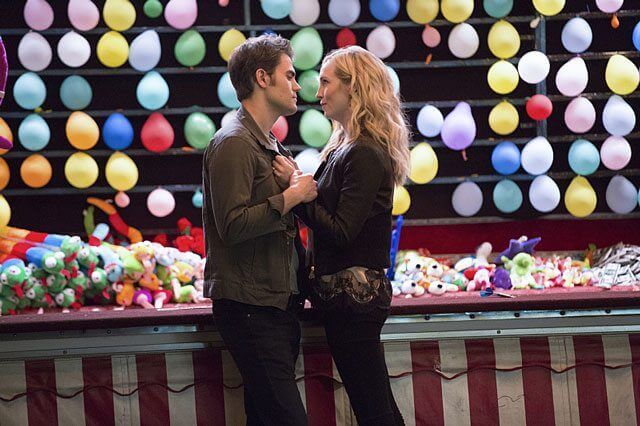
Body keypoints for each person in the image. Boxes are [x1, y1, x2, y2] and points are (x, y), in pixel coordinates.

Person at [273, 45, 410, 425]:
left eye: (325, 82)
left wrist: (295, 193)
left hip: (355, 299)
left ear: (354, 87)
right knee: (374, 406)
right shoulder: (345, 146)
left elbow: (341, 231)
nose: (318, 92)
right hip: (346, 298)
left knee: (374, 409)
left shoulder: (363, 152)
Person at [202, 34, 317, 425]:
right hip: (251, 308)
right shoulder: (233, 143)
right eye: (290, 75)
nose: (298, 85)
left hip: (275, 305)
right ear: (263, 78)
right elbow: (232, 225)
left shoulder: (269, 143)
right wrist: (292, 196)